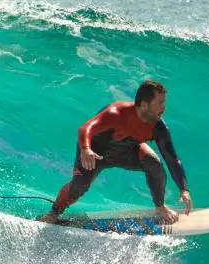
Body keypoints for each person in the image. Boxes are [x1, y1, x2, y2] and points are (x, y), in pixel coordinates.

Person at [38, 79, 192, 225]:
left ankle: (160, 207)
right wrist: (86, 149)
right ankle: (53, 213)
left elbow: (172, 159)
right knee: (79, 186)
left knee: (155, 165)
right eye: (160, 103)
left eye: (164, 103)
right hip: (95, 154)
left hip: (127, 152)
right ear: (144, 104)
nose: (163, 108)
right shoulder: (116, 113)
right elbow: (86, 128)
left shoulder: (159, 127)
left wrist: (184, 189)